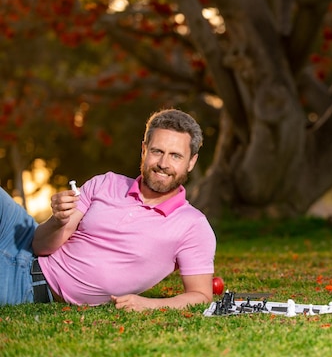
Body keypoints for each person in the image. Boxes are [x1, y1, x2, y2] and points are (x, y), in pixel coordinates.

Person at [0, 109, 216, 311]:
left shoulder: (193, 226)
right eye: (157, 151)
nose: (163, 163)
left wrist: (148, 304)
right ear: (144, 150)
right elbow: (40, 246)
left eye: (175, 156)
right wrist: (58, 221)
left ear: (191, 162)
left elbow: (201, 294)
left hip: (27, 285)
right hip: (20, 237)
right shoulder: (106, 183)